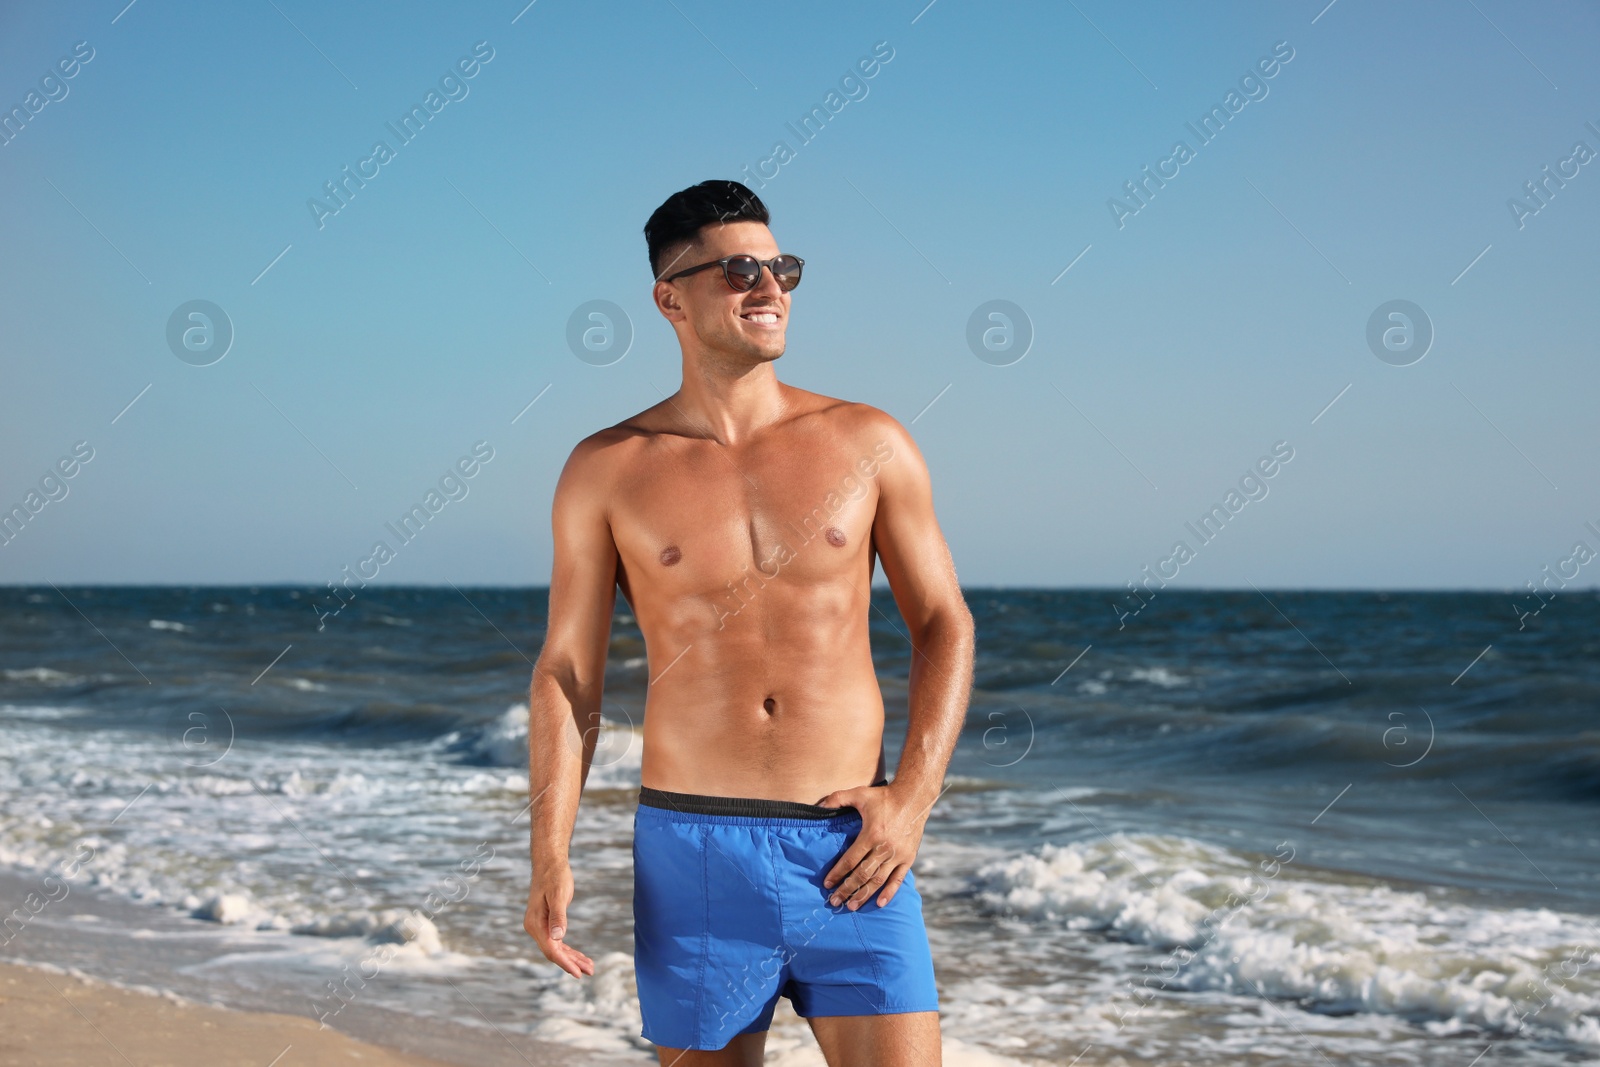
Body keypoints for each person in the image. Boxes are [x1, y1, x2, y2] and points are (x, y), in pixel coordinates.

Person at [523, 179, 975, 1066]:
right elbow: (568, 674)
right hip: (692, 850)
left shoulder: (869, 441)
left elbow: (945, 625)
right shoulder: (608, 469)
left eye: (782, 268)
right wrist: (549, 851)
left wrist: (912, 803)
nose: (769, 287)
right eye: (738, 270)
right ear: (669, 298)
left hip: (853, 848)